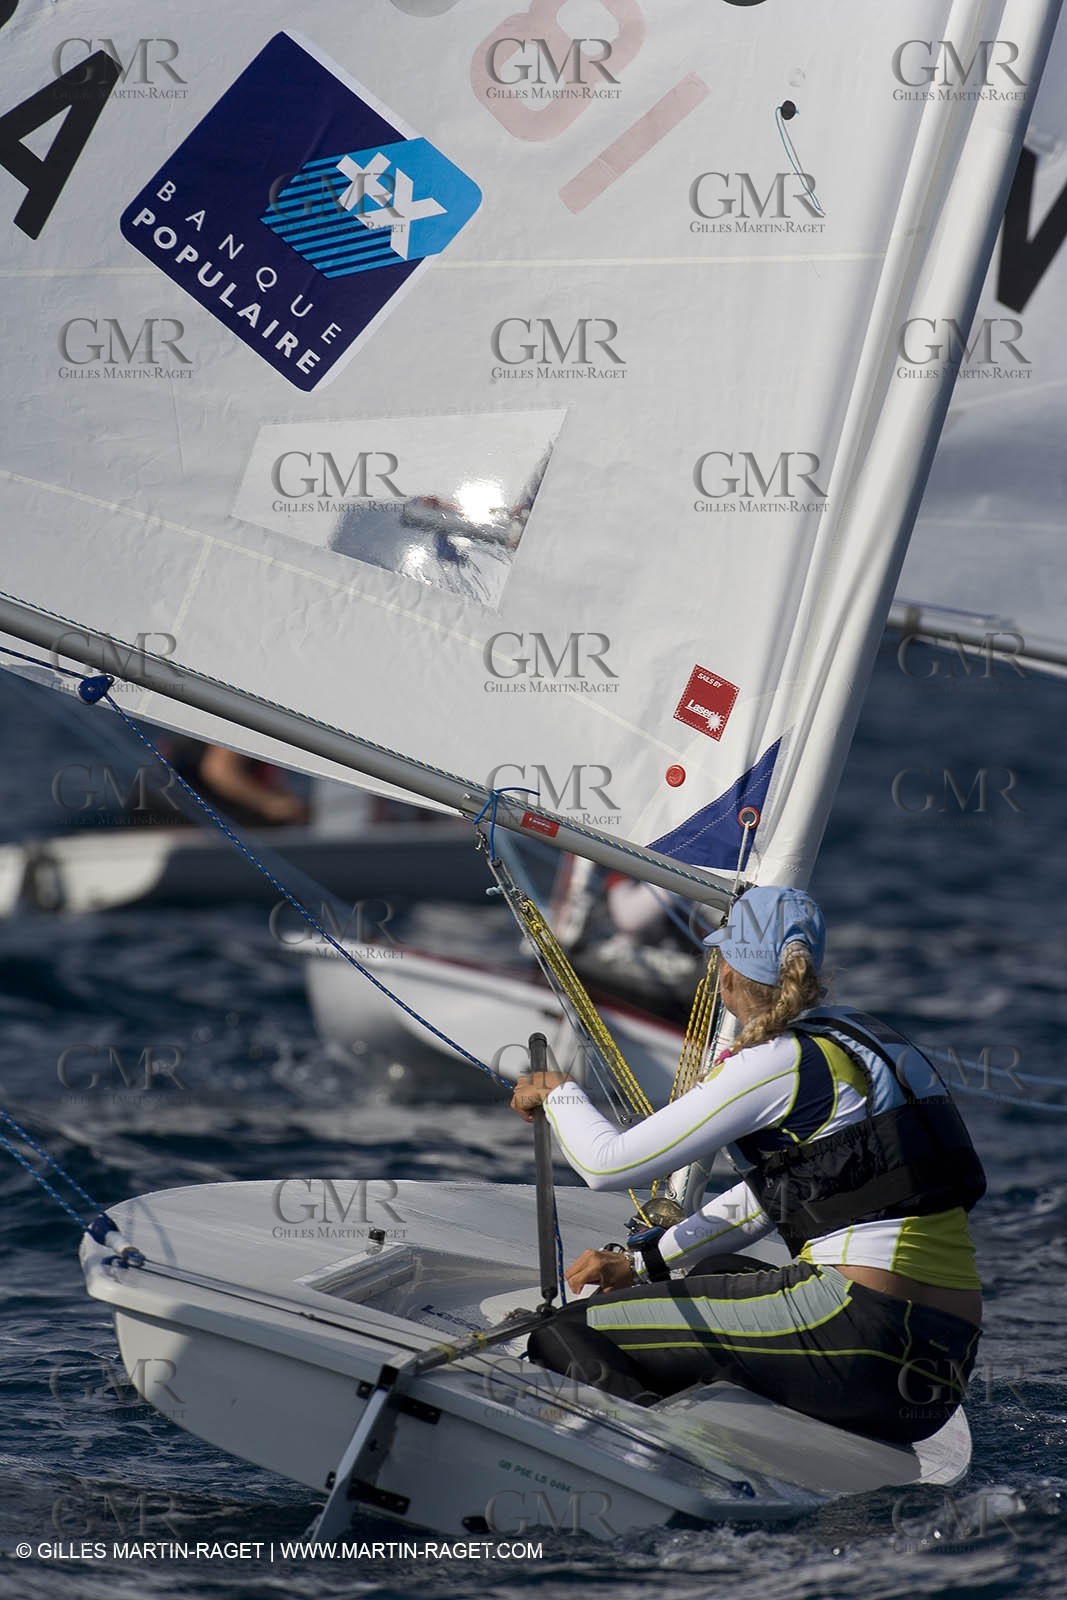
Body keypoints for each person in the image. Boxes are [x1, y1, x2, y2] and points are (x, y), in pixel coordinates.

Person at [510, 885, 985, 1444]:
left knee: (564, 1335)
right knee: (714, 1273)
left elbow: (606, 1165)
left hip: (859, 1339)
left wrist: (558, 1091)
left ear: (727, 974)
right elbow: (769, 1201)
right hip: (940, 1368)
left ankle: (659, 1460)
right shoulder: (863, 1043)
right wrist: (641, 1267)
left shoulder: (773, 1063)